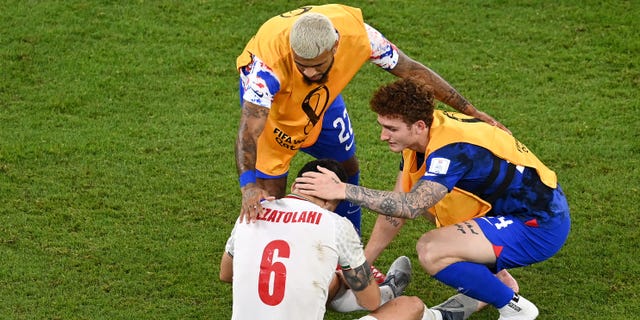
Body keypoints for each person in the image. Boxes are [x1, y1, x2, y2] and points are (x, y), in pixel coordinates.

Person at [294, 78, 571, 320]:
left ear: (417, 125)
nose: (382, 136)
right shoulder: (422, 135)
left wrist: (343, 190)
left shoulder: (451, 150)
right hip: (509, 212)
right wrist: (362, 268)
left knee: (431, 250)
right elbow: (396, 207)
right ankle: (495, 277)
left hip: (539, 225)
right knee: (419, 200)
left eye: (391, 128)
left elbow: (411, 207)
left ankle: (515, 308)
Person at [234, 4, 509, 238]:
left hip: (323, 100)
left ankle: (349, 245)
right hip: (276, 109)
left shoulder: (362, 36)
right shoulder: (264, 70)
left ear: (336, 47)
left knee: (346, 164)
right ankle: (282, 260)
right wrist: (248, 185)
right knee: (270, 196)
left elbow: (411, 70)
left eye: (318, 65)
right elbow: (248, 132)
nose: (308, 71)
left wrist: (472, 111)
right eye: (301, 64)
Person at [220, 158, 427, 320]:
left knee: (324, 277)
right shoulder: (335, 224)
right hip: (367, 289)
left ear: (294, 186)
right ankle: (426, 309)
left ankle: (352, 297)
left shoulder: (253, 211)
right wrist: (351, 276)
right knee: (410, 306)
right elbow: (371, 302)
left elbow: (226, 274)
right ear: (333, 200)